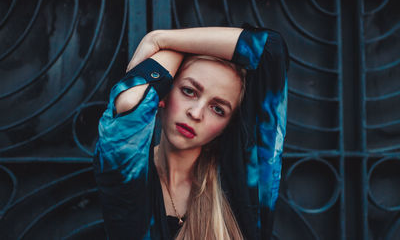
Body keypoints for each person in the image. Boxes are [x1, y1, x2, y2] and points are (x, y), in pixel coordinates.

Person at [93, 24, 289, 240]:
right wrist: (165, 45)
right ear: (164, 93)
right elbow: (131, 104)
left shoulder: (241, 183)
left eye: (218, 109)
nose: (196, 113)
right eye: (189, 91)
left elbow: (270, 49)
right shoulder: (129, 175)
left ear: (227, 124)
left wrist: (161, 39)